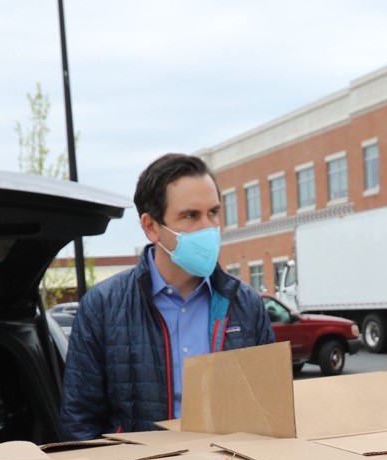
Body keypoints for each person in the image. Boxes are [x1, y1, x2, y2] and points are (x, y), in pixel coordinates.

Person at [60, 152, 275, 438]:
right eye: (190, 215)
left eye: (213, 212)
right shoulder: (102, 307)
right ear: (151, 227)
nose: (208, 228)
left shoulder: (246, 304)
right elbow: (80, 423)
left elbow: (272, 411)